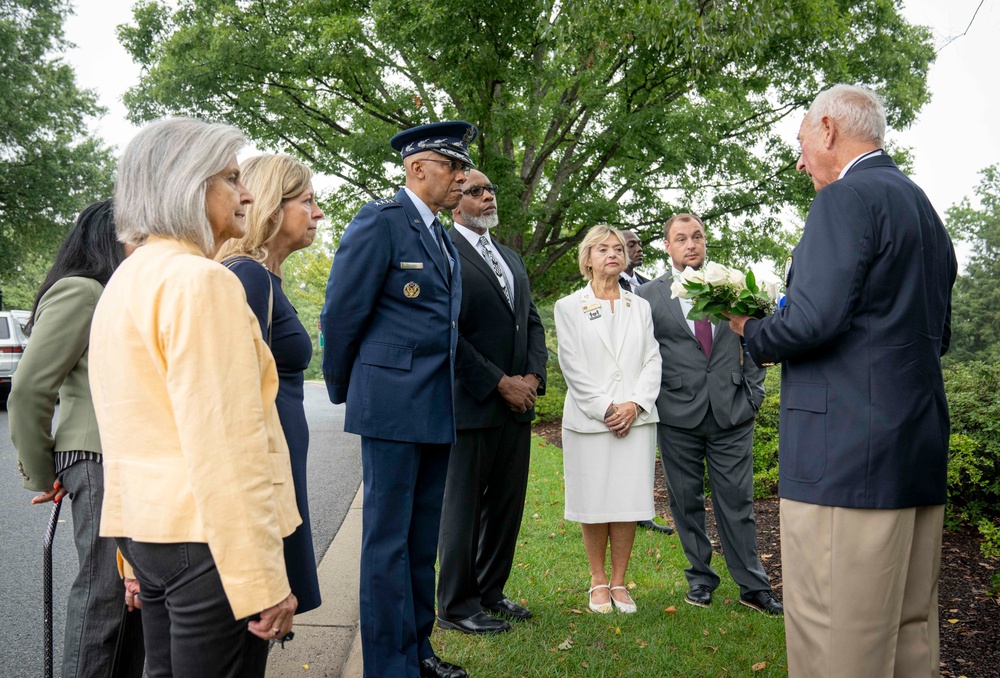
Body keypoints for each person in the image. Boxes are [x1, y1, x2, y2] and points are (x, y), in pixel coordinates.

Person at [728, 84, 956, 677]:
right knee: (909, 634)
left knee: (836, 637)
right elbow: (937, 335)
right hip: (916, 454)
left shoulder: (846, 200)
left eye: (801, 142)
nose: (800, 160)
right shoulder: (925, 210)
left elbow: (810, 322)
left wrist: (749, 328)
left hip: (846, 462)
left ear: (827, 129)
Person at [89, 117, 301, 678]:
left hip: (148, 536)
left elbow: (123, 428)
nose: (248, 194)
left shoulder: (126, 280)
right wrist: (263, 581)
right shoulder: (201, 282)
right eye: (232, 177)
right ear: (187, 182)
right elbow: (227, 448)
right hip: (209, 543)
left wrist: (126, 560)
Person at [321, 121, 474, 678]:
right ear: (418, 169)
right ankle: (388, 667)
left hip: (435, 407)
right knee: (386, 543)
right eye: (453, 167)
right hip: (390, 406)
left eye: (462, 167)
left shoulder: (439, 234)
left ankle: (417, 650)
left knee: (419, 541)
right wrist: (346, 388)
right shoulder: (380, 223)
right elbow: (341, 313)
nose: (462, 176)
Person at [9, 200, 144, 678]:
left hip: (120, 457)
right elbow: (28, 390)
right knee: (104, 592)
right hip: (94, 456)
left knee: (133, 595)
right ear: (112, 237)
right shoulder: (82, 291)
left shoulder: (113, 293)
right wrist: (43, 472)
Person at [636, 213, 781, 615]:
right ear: (668, 247)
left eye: (697, 236)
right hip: (677, 414)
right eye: (681, 239)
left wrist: (753, 395)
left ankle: (753, 586)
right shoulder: (648, 296)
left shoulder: (733, 287)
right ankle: (700, 579)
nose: (691, 244)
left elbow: (754, 338)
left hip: (732, 412)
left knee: (738, 501)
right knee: (686, 502)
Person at [435, 170, 548, 635]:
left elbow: (533, 322)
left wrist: (532, 378)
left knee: (506, 506)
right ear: (454, 202)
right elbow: (446, 330)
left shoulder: (510, 257)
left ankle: (490, 590)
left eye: (490, 190)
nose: (486, 197)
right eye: (475, 191)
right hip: (470, 402)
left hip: (516, 407)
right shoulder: (441, 250)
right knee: (462, 510)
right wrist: (498, 381)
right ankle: (456, 605)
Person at [216, 153, 325, 617]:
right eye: (307, 200)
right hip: (263, 466)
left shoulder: (267, 277)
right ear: (273, 209)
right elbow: (234, 403)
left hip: (280, 457)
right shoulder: (249, 277)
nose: (318, 213)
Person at [554, 224, 661, 615]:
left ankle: (620, 581)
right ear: (588, 259)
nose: (612, 254)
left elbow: (652, 358)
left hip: (636, 420)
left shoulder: (641, 306)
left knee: (627, 501)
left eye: (618, 248)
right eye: (602, 249)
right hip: (590, 421)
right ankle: (597, 581)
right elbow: (572, 364)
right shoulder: (568, 306)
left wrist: (635, 404)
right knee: (595, 499)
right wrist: (606, 408)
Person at [617, 229, 674, 537]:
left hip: (655, 376)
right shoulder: (612, 284)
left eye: (639, 243)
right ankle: (621, 510)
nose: (639, 248)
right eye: (631, 244)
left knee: (644, 450)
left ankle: (642, 511)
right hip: (625, 378)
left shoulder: (647, 284)